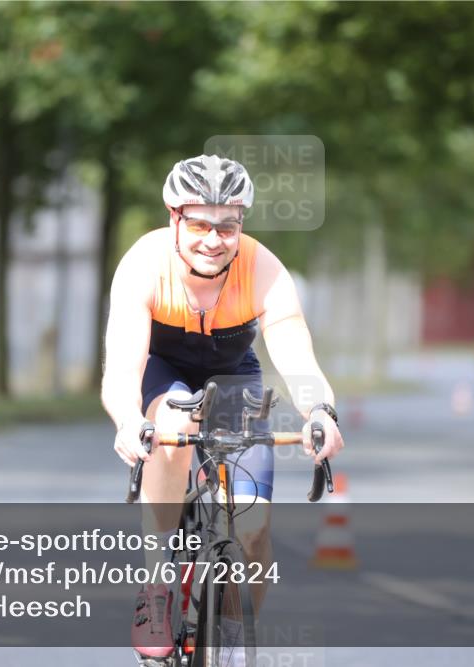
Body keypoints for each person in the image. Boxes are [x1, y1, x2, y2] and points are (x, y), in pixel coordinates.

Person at [100, 154, 344, 664]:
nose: (213, 239)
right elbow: (122, 369)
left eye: (228, 226)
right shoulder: (143, 265)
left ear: (241, 225)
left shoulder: (263, 268)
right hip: (163, 373)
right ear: (174, 217)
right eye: (199, 224)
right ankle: (158, 585)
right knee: (171, 423)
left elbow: (296, 353)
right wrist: (129, 421)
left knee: (254, 532)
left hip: (234, 378)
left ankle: (232, 643)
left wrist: (319, 411)